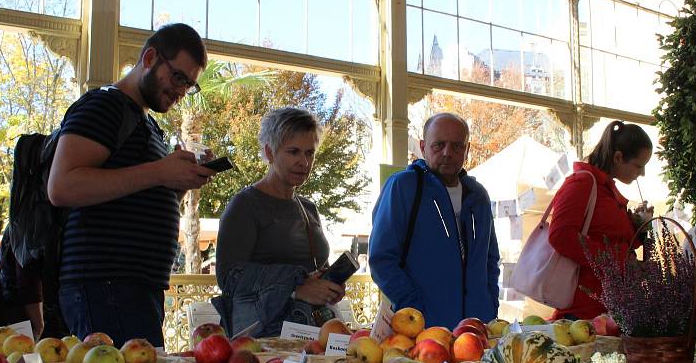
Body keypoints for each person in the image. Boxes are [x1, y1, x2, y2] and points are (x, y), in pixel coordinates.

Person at [47, 23, 215, 348]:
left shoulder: (146, 124)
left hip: (132, 288)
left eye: (190, 85)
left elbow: (137, 195)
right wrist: (158, 172)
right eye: (178, 77)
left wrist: (179, 182)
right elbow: (62, 186)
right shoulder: (104, 105)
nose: (181, 90)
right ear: (150, 57)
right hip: (105, 285)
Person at [214, 107, 344, 337]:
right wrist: (296, 289)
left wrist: (326, 285)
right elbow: (229, 278)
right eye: (293, 152)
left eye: (310, 153)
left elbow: (310, 269)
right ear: (270, 152)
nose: (304, 162)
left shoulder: (309, 208)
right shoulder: (245, 205)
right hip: (263, 338)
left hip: (311, 332)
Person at [369, 112, 500, 329]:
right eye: (439, 145)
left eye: (457, 146)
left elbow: (490, 259)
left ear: (467, 150)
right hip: (422, 331)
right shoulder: (404, 187)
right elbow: (381, 259)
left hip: (476, 330)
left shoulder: (478, 196)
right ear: (422, 147)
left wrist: (489, 305)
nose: (448, 153)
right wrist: (413, 307)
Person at [548, 120, 653, 320]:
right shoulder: (581, 183)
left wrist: (638, 225)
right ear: (618, 157)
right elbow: (560, 236)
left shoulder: (607, 190)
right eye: (639, 166)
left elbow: (614, 239)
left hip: (611, 310)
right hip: (584, 312)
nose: (642, 173)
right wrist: (620, 262)